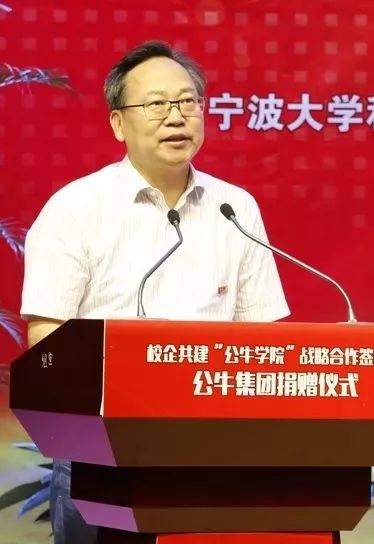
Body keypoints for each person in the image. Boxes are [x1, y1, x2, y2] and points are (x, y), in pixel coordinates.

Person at [19, 40, 290, 543]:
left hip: (211, 455)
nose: (176, 117)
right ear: (118, 123)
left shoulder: (235, 208)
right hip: (103, 457)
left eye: (187, 102)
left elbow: (264, 336)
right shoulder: (75, 209)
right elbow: (47, 339)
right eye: (156, 104)